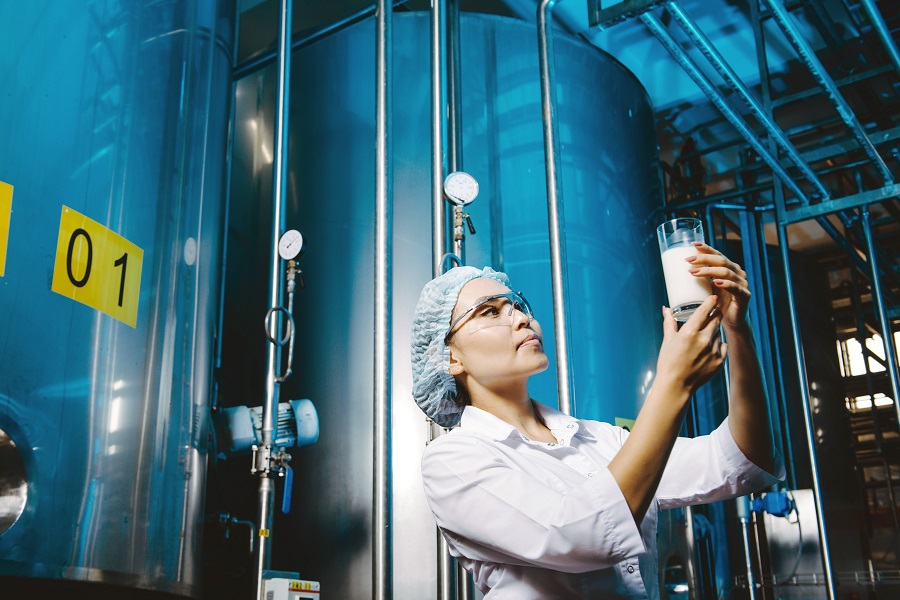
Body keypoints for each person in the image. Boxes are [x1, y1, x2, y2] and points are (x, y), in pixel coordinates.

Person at [409, 243, 783, 599]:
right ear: (451, 359)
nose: (523, 318)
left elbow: (742, 460)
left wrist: (737, 330)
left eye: (518, 306)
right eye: (490, 312)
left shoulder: (599, 439)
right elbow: (580, 534)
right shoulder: (451, 461)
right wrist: (673, 386)